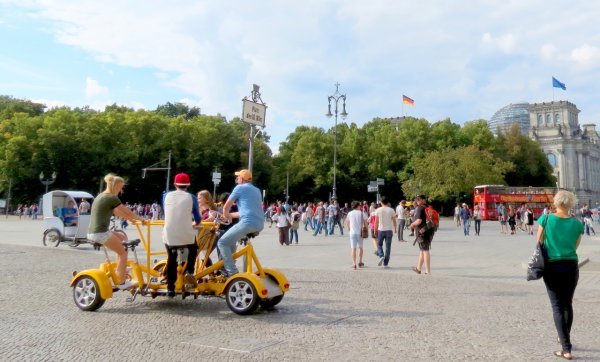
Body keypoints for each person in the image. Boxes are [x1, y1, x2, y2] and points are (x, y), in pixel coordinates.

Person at [536, 190, 583, 360]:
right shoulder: (577, 224)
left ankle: (566, 348)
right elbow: (576, 245)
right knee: (567, 304)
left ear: (556, 203)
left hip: (552, 266)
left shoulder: (546, 219)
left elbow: (539, 240)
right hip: (570, 265)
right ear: (571, 204)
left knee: (557, 305)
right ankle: (564, 337)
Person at [87, 173, 146, 290]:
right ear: (115, 186)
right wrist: (142, 219)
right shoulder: (111, 197)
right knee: (123, 253)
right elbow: (126, 211)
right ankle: (121, 281)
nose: (121, 190)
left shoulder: (101, 196)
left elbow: (117, 212)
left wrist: (131, 220)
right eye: (120, 188)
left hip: (95, 231)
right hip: (100, 233)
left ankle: (120, 268)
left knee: (123, 239)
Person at [218, 169, 264, 277]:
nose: (237, 179)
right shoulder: (257, 190)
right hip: (259, 224)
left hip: (247, 223)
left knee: (222, 243)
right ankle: (233, 268)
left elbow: (226, 207)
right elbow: (245, 212)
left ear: (242, 179)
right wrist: (230, 216)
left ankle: (231, 272)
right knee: (231, 241)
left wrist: (226, 216)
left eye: (238, 177)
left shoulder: (239, 188)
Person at [162, 173, 202, 297]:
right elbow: (198, 218)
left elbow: (166, 213)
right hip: (186, 233)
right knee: (194, 248)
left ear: (175, 184)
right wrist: (194, 223)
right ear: (188, 185)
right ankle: (190, 270)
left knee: (171, 258)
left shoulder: (165, 196)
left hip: (169, 233)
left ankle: (170, 288)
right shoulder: (191, 197)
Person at [410, 195, 434, 275]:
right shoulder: (428, 207)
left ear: (423, 200)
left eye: (418, 199)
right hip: (429, 231)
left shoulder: (419, 208)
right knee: (422, 250)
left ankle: (428, 271)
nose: (417, 201)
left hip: (421, 232)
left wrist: (412, 225)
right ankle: (418, 268)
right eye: (416, 199)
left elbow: (419, 221)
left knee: (425, 250)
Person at [375, 196, 397, 268]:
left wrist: (375, 230)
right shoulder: (391, 210)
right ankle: (386, 264)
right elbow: (394, 221)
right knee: (388, 247)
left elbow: (376, 222)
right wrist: (395, 229)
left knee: (379, 245)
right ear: (387, 202)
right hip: (389, 230)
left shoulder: (378, 210)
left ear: (381, 202)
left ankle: (381, 255)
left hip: (380, 230)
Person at [345, 201, 368, 269]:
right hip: (360, 233)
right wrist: (366, 230)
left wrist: (349, 229)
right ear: (358, 206)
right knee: (360, 247)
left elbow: (347, 222)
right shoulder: (361, 213)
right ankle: (360, 262)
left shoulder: (349, 213)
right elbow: (366, 223)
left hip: (352, 233)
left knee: (353, 248)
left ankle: (354, 263)